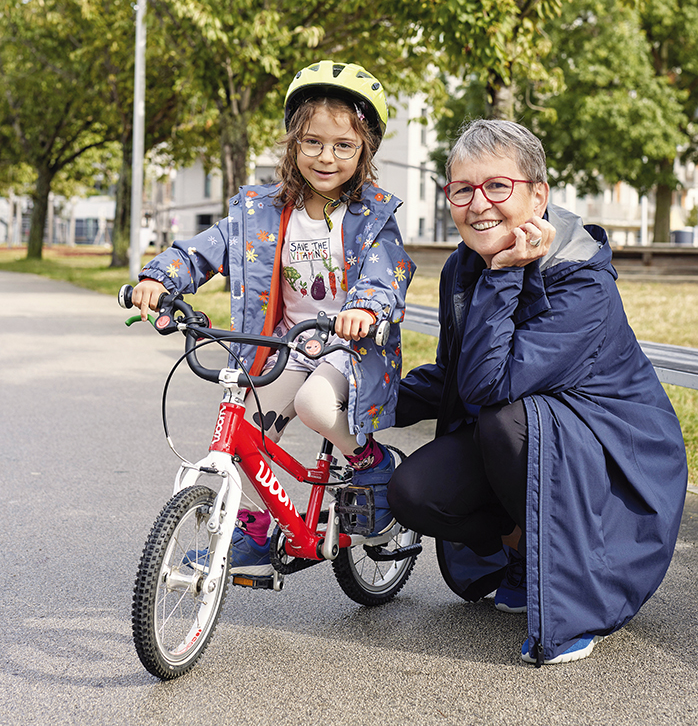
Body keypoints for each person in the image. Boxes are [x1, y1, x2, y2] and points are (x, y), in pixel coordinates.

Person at [388, 119, 687, 665]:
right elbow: (457, 373)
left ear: (539, 195)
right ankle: (524, 549)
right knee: (411, 491)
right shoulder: (462, 267)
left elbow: (489, 383)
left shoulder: (582, 281)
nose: (479, 204)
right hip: (540, 440)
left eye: (498, 186)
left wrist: (505, 273)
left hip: (619, 466)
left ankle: (581, 593)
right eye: (462, 189)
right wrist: (366, 399)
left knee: (505, 418)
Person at [131, 60, 415, 576]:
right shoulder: (259, 209)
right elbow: (207, 249)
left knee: (312, 403)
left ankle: (371, 461)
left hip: (349, 350)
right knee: (243, 429)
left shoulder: (373, 212)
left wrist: (365, 308)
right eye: (312, 143)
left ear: (364, 149)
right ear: (292, 143)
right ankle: (262, 528)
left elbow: (386, 271)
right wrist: (161, 279)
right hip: (288, 346)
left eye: (343, 146)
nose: (325, 157)